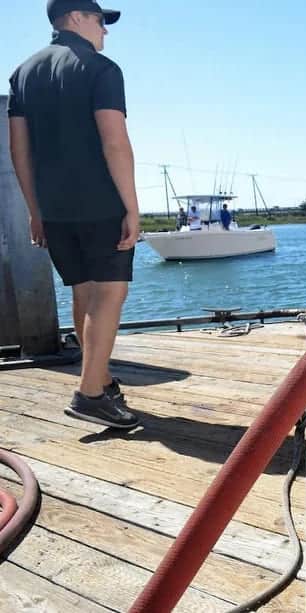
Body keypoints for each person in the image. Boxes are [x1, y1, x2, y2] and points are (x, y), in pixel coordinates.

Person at [8, 0, 139, 429]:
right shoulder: (102, 69)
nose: (106, 31)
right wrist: (132, 208)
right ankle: (89, 395)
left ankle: (99, 379)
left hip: (55, 209)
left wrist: (35, 211)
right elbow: (114, 141)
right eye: (102, 21)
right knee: (109, 294)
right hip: (100, 202)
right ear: (77, 18)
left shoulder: (23, 74)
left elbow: (19, 151)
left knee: (83, 293)